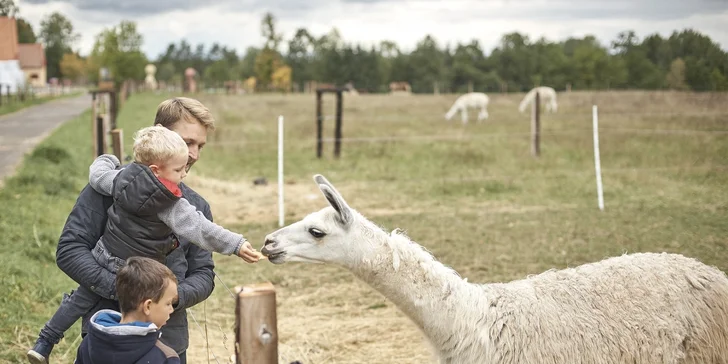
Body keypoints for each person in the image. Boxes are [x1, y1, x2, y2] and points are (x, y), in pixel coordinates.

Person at [28, 124, 262, 364]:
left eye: (199, 146)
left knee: (80, 298)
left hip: (105, 257)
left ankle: (45, 341)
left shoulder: (119, 179)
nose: (187, 170)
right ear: (157, 167)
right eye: (180, 165)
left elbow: (97, 174)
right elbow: (203, 230)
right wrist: (236, 244)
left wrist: (107, 159)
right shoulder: (171, 203)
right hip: (118, 316)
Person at [75, 256, 182, 364]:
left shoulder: (88, 343)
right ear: (148, 306)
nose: (171, 309)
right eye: (168, 303)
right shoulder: (165, 357)